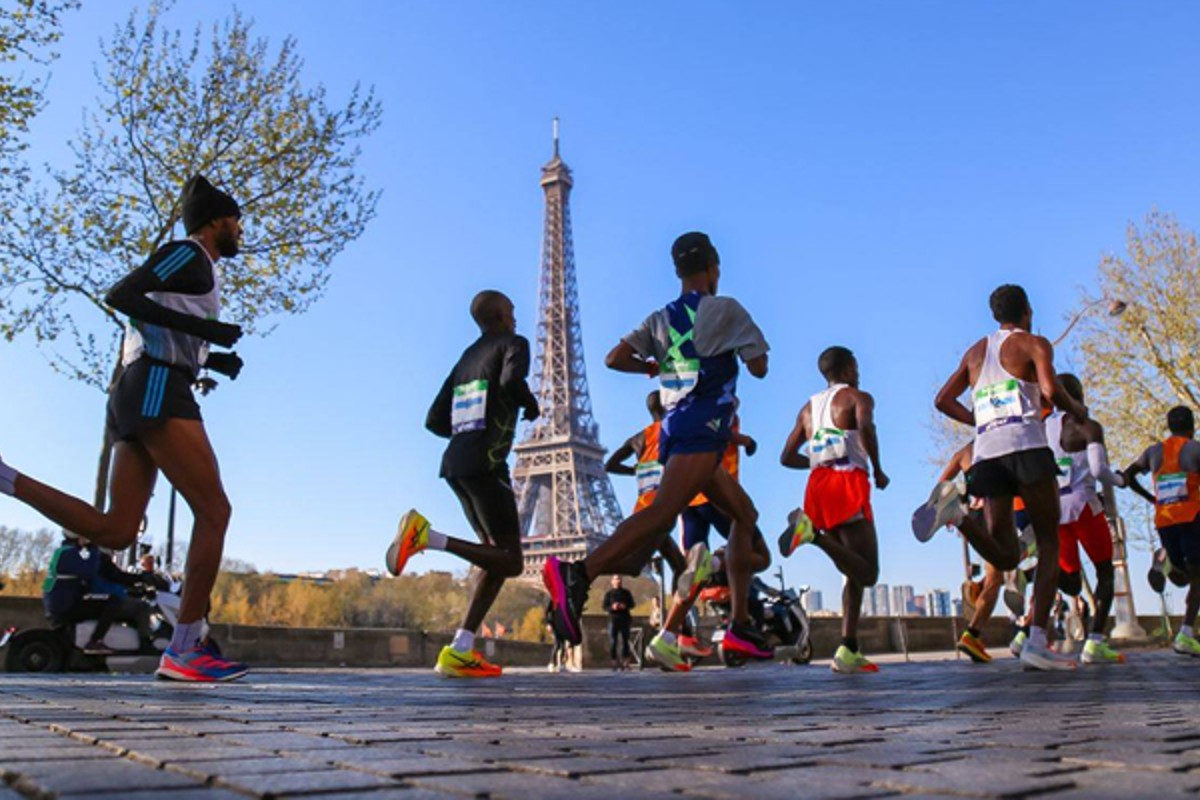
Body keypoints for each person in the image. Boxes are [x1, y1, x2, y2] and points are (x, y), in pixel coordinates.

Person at [0, 175, 248, 682]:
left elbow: (160, 321)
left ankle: (5, 477)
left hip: (139, 387)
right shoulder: (190, 253)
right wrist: (208, 332)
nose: (241, 230)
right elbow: (124, 293)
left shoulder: (199, 266)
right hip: (156, 386)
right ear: (216, 221)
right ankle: (184, 648)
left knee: (116, 529)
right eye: (237, 220)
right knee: (215, 510)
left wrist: (212, 358)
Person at [544, 231, 772, 665]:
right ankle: (578, 573)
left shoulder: (659, 319)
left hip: (676, 425)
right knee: (664, 512)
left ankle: (741, 625)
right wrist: (745, 351)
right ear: (713, 267)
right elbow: (758, 368)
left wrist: (651, 365)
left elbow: (614, 358)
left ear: (677, 272)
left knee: (745, 514)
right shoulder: (726, 309)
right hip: (703, 424)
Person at [925, 284, 1088, 671]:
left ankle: (960, 517)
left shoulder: (975, 352)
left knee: (1006, 553)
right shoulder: (1034, 343)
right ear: (1028, 311)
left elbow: (942, 400)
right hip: (1028, 448)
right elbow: (1050, 389)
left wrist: (979, 420)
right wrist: (1076, 408)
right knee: (1049, 542)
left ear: (995, 314)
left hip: (988, 456)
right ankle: (1036, 640)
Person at [386, 290, 539, 679]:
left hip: (456, 462)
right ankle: (428, 537)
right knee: (512, 560)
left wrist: (468, 430)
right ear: (503, 314)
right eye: (513, 311)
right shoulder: (514, 343)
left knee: (495, 558)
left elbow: (434, 420)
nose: (516, 317)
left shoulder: (466, 358)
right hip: (487, 463)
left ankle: (461, 647)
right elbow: (510, 380)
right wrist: (530, 402)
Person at [779, 346, 888, 674]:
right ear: (847, 369)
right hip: (848, 483)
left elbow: (786, 456)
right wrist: (879, 469)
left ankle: (848, 648)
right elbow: (866, 428)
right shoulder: (858, 397)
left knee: (850, 573)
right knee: (868, 573)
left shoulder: (807, 409)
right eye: (855, 366)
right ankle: (811, 535)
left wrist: (816, 461)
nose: (858, 372)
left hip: (817, 485)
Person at [1045, 374, 1128, 664]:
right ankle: (1094, 643)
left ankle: (1031, 580)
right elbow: (1098, 470)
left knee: (1069, 579)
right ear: (1079, 394)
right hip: (1085, 506)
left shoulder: (1044, 426)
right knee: (1105, 572)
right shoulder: (1088, 426)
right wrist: (1120, 480)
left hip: (1056, 509)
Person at [1124, 405, 1200, 657]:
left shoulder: (1154, 451)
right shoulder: (1195, 449)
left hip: (1164, 520)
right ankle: (1186, 633)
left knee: (1185, 576)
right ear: (1192, 426)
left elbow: (1127, 477)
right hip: (1191, 518)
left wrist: (1151, 497)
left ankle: (1165, 558)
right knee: (1196, 577)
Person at [42, 534, 153, 655]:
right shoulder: (75, 555)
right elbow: (106, 574)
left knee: (120, 603)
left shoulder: (66, 552)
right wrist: (94, 549)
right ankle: (97, 641)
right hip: (66, 604)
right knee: (123, 604)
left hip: (61, 602)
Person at [602, 575, 635, 670]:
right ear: (612, 582)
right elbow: (604, 606)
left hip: (625, 618)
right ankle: (614, 662)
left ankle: (626, 662)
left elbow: (632, 604)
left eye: (619, 579)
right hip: (613, 619)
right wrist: (612, 607)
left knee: (626, 641)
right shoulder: (609, 594)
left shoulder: (626, 593)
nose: (618, 581)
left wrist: (625, 606)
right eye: (616, 579)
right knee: (613, 641)